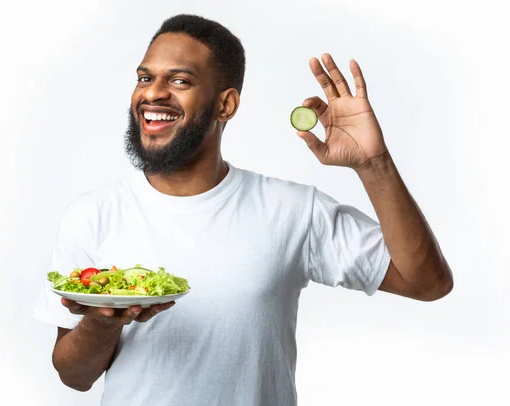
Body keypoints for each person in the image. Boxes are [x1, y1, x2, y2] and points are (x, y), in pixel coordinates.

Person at [33, 13, 453, 406]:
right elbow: (74, 375)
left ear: (225, 105)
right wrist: (104, 321)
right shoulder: (92, 214)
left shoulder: (292, 210)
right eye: (145, 77)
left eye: (179, 80)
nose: (152, 92)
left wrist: (372, 163)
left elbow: (427, 283)